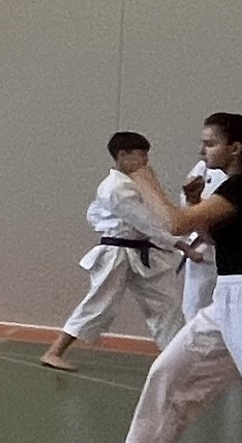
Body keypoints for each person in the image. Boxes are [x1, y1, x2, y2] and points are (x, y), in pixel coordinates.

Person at [114, 114, 242, 443]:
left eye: (210, 143)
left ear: (235, 148)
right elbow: (214, 238)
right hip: (228, 298)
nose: (202, 151)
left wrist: (144, 178)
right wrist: (196, 201)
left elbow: (176, 224)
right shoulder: (235, 187)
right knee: (169, 371)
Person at [40, 133, 182, 369]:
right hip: (116, 254)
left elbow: (102, 214)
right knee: (99, 302)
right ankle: (54, 351)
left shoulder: (136, 182)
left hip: (140, 253)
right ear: (122, 155)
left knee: (166, 303)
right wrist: (179, 243)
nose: (146, 160)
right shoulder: (114, 187)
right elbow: (145, 222)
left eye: (147, 155)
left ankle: (175, 356)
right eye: (141, 154)